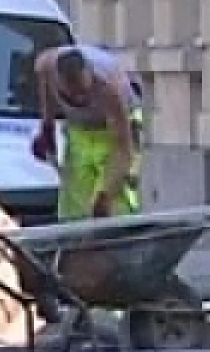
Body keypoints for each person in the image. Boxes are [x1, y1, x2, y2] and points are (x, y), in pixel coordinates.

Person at [31, 44, 143, 221]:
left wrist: (105, 195)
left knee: (116, 196)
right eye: (71, 94)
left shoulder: (111, 88)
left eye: (84, 92)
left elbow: (123, 150)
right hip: (80, 128)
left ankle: (119, 231)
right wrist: (47, 128)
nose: (79, 98)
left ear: (89, 73)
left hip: (114, 128)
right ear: (58, 79)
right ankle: (75, 237)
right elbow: (45, 88)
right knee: (75, 197)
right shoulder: (46, 65)